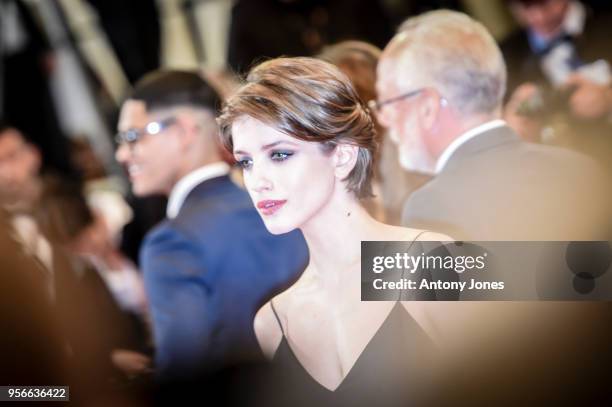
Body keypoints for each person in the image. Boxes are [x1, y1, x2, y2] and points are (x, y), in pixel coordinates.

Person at [218, 56, 450, 406]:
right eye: (246, 162)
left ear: (342, 156)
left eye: (279, 154)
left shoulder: (434, 261)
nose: (257, 181)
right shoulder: (271, 322)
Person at [114, 70, 308, 381]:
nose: (122, 153)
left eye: (133, 136)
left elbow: (187, 381)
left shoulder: (172, 243)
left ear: (183, 132)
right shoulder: (281, 209)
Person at [375, 9, 610, 240]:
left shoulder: (431, 207)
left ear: (428, 107)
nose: (383, 117)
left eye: (388, 101)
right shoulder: (581, 167)